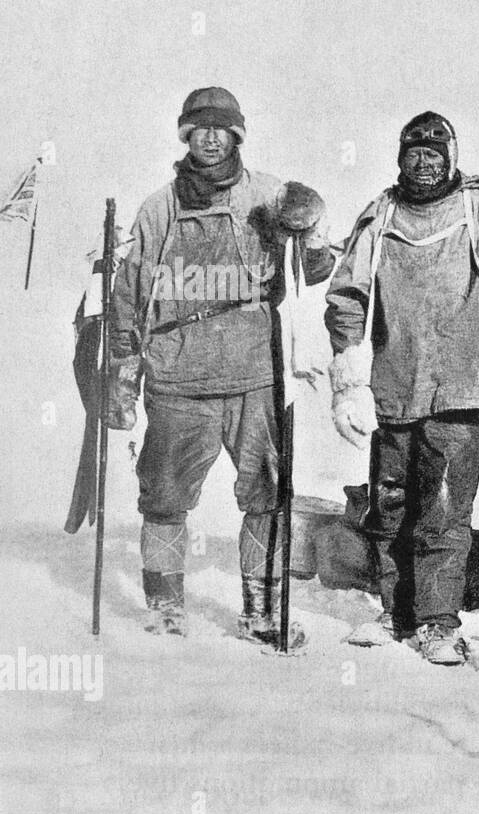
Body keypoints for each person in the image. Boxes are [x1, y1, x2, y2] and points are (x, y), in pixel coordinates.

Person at [325, 111, 479, 666]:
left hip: (461, 381)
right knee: (390, 500)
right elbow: (347, 295)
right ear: (400, 159)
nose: (423, 163)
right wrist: (350, 369)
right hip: (395, 381)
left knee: (445, 506)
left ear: (450, 159)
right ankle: (395, 610)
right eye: (413, 153)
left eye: (434, 153)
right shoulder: (380, 217)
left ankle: (437, 621)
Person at [105, 87, 333, 645]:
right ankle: (165, 605)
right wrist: (122, 371)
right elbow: (129, 295)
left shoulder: (267, 195)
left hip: (255, 376)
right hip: (177, 377)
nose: (210, 138)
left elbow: (319, 264)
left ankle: (261, 610)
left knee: (265, 496)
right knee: (163, 497)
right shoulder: (158, 207)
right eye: (199, 129)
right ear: (186, 136)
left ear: (237, 135)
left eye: (221, 129)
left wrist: (311, 220)